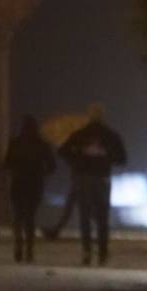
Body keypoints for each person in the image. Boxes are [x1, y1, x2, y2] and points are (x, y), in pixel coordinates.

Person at [57, 104, 127, 265]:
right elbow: (122, 158)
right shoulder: (111, 135)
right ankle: (102, 253)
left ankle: (86, 251)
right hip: (102, 178)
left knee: (84, 216)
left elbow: (62, 151)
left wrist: (77, 158)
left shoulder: (80, 134)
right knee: (103, 216)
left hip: (84, 178)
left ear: (88, 116)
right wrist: (106, 156)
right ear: (103, 116)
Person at [3, 115, 56, 263]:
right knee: (30, 216)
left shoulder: (15, 143)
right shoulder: (43, 145)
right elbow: (52, 166)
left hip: (18, 183)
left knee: (18, 216)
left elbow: (7, 163)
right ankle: (29, 250)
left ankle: (18, 244)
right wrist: (43, 173)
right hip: (35, 184)